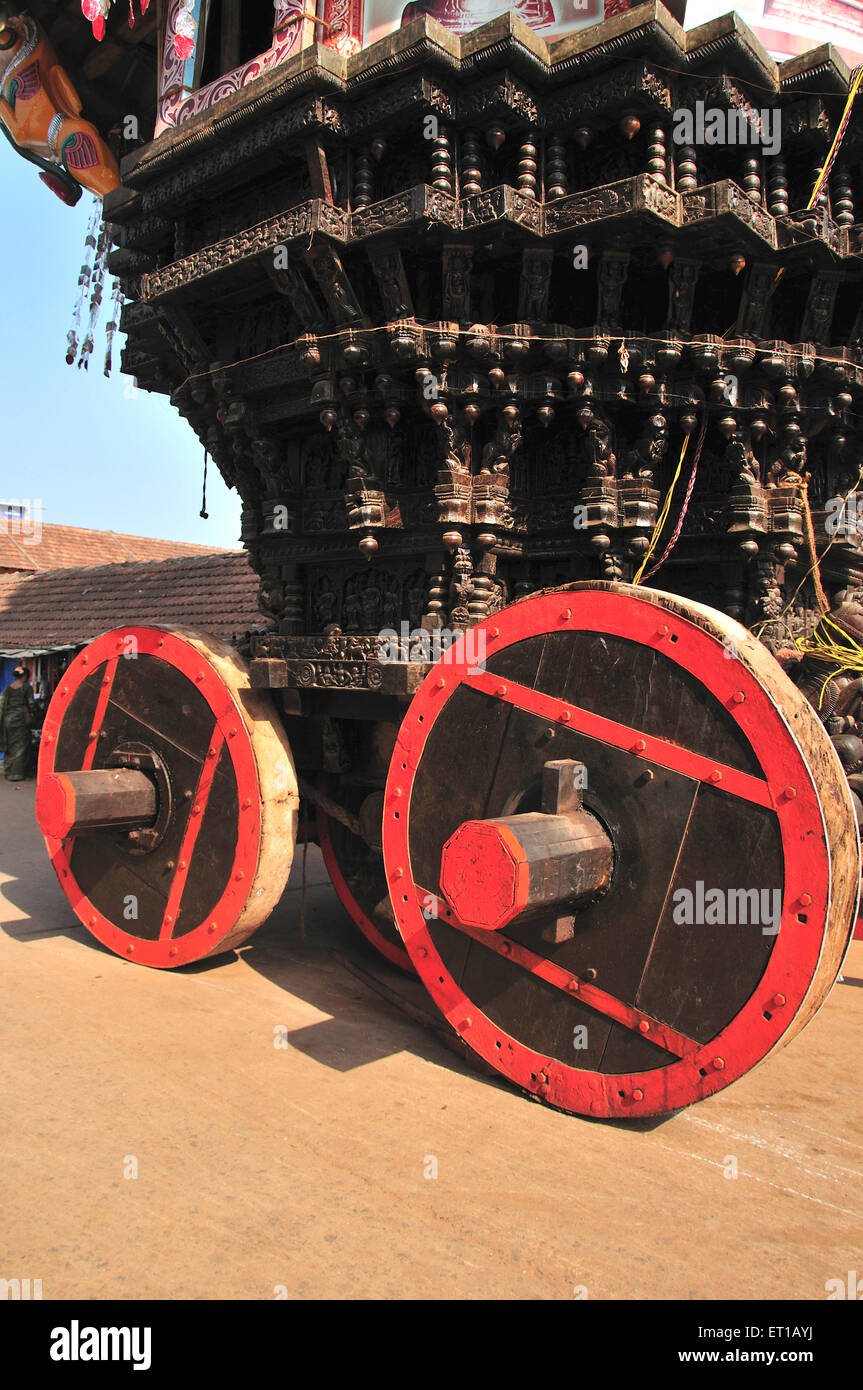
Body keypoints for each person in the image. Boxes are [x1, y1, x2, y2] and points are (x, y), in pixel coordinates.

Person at [0, 666, 40, 782]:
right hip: (21, 721)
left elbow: (2, 704)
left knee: (10, 746)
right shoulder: (26, 688)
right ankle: (17, 773)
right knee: (21, 747)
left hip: (8, 721)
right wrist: (36, 711)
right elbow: (31, 704)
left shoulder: (7, 688)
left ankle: (8, 772)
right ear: (25, 676)